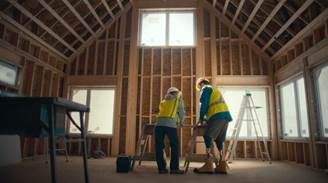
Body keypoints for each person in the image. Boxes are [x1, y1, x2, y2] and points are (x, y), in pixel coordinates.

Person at [194, 78, 232, 174]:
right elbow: (213, 105)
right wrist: (207, 118)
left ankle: (209, 164)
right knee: (219, 140)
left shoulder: (206, 88)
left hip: (217, 116)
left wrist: (201, 119)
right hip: (225, 116)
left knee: (207, 136)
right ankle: (222, 164)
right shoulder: (214, 89)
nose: (200, 88)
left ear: (201, 83)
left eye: (200, 86)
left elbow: (204, 104)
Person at [155, 87, 185, 174]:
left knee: (159, 147)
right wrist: (181, 122)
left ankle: (161, 168)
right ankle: (174, 169)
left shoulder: (163, 101)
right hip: (170, 125)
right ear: (175, 93)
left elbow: (163, 112)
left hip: (159, 124)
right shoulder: (177, 100)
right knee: (174, 145)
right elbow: (181, 112)